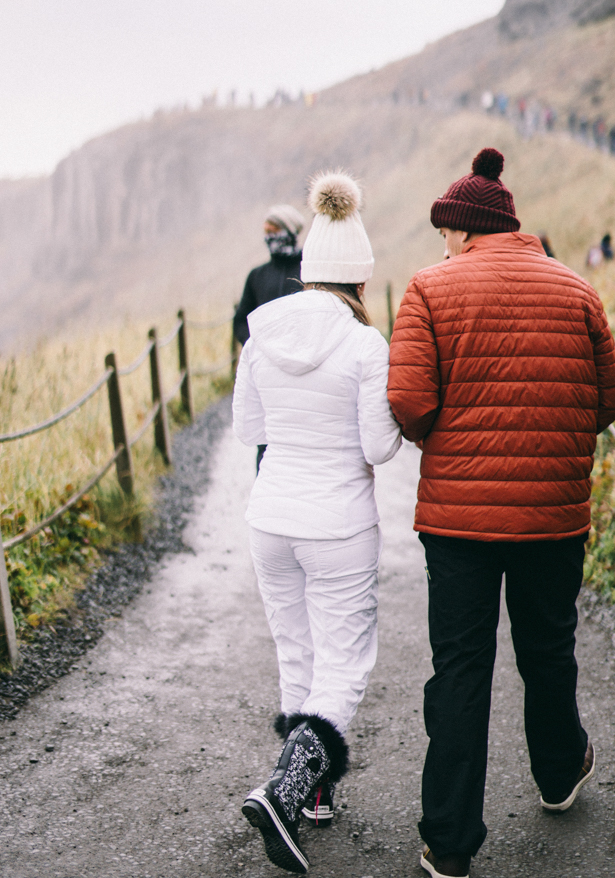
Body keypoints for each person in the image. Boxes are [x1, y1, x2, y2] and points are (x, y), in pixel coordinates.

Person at [387, 147, 615, 878]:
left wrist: (450, 436)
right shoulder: (577, 289)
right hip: (552, 517)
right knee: (548, 650)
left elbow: (409, 404)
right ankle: (558, 775)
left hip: (457, 524)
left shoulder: (428, 291)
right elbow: (609, 400)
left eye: (446, 230)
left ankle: (450, 843)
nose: (443, 244)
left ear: (467, 229)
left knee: (460, 668)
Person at [233, 171, 402, 875]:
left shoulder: (261, 335)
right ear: (359, 280)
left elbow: (249, 427)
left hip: (270, 517)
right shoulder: (366, 347)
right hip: (337, 522)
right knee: (344, 663)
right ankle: (284, 789)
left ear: (307, 270)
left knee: (296, 653)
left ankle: (314, 793)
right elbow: (376, 447)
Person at [234, 204, 305, 472]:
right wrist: (256, 347)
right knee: (266, 438)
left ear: (288, 232)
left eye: (274, 231)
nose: (269, 237)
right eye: (266, 232)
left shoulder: (309, 270)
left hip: (304, 370)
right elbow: (241, 319)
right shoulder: (257, 276)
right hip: (266, 375)